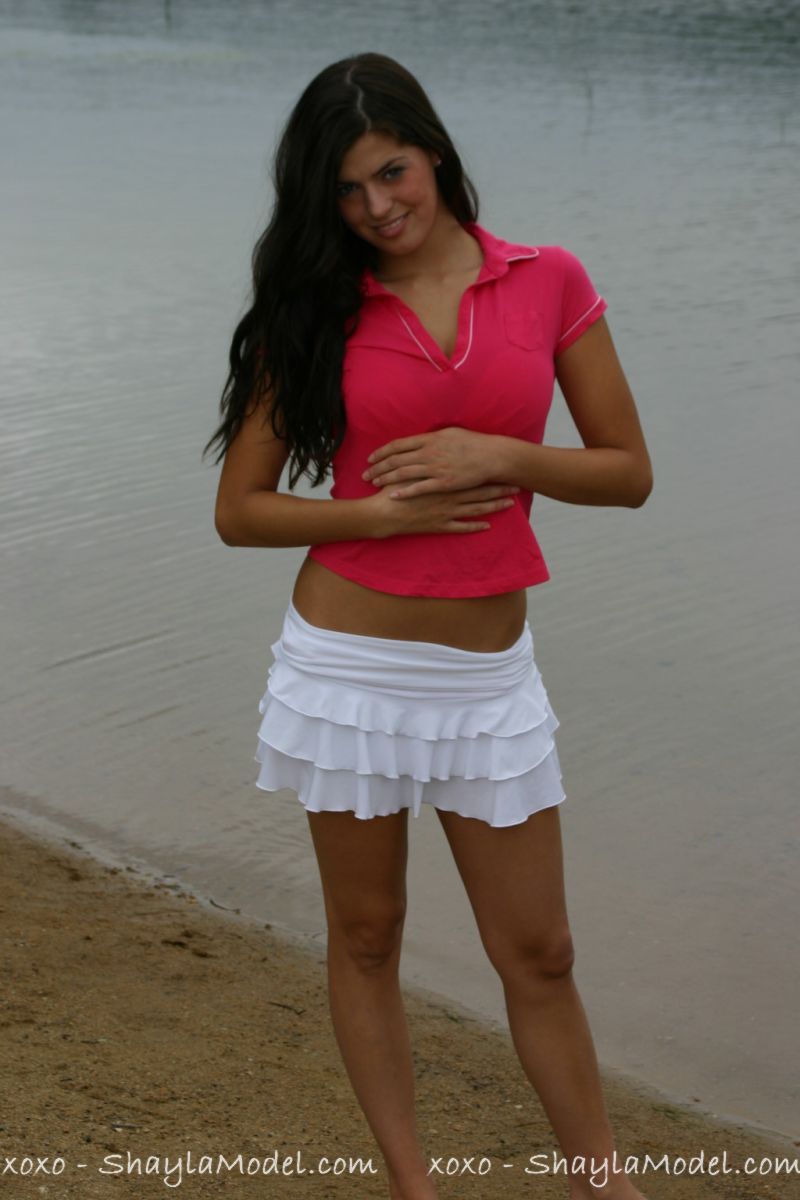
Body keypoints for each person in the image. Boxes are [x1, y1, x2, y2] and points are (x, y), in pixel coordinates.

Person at [203, 52, 653, 1200]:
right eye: (346, 191)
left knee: (540, 951)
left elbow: (626, 473)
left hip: (487, 680)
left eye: (391, 172)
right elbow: (240, 510)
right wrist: (374, 513)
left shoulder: (546, 280)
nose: (376, 206)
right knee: (366, 938)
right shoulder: (316, 308)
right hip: (346, 670)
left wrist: (499, 455)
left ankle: (602, 1185)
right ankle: (415, 1189)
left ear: (434, 154)